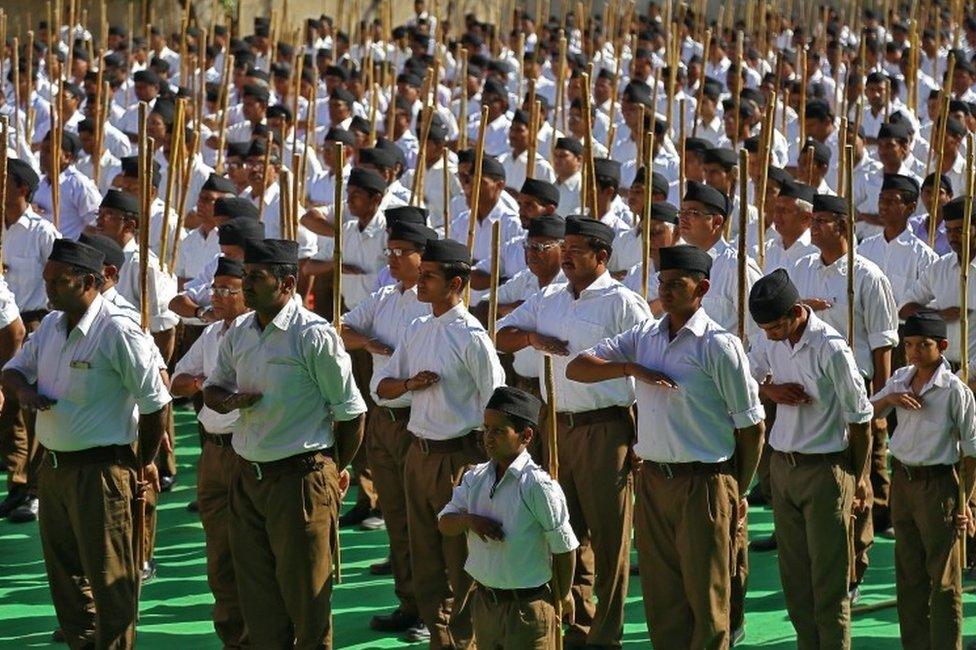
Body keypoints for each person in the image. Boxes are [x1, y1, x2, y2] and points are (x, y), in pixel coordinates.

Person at [567, 244, 765, 648]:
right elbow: (576, 367)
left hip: (705, 483)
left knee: (707, 599)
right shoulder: (645, 335)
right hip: (654, 481)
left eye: (677, 284)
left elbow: (751, 427)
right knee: (662, 599)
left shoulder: (717, 345)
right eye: (662, 282)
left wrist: (737, 490)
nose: (666, 290)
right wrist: (628, 368)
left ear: (703, 288)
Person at [1, 239, 172, 648]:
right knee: (64, 572)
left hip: (104, 470)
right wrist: (25, 393)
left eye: (59, 282)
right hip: (55, 468)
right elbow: (11, 371)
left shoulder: (118, 330)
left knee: (110, 574)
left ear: (90, 282)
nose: (49, 289)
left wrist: (140, 464)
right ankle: (83, 640)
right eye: (47, 280)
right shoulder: (50, 329)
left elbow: (156, 403)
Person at [203, 238, 368, 648]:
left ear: (288, 283)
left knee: (306, 601)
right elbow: (213, 387)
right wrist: (227, 401)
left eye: (256, 278)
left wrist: (333, 470)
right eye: (245, 277)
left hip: (299, 481)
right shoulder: (240, 331)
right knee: (258, 601)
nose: (246, 286)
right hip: (248, 479)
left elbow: (351, 413)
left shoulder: (313, 336)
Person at [496, 216, 651, 648]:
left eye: (576, 250)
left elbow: (644, 370)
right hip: (557, 426)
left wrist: (639, 438)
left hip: (606, 430)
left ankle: (607, 635)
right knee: (565, 531)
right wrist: (532, 337)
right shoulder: (550, 298)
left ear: (601, 256)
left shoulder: (623, 302)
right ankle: (580, 625)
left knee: (609, 538)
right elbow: (501, 335)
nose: (565, 256)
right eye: (564, 248)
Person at [373, 238, 506, 647]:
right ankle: (438, 636)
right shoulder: (417, 328)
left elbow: (496, 401)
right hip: (419, 454)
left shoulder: (472, 337)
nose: (420, 281)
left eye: (429, 276)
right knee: (425, 557)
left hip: (459, 459)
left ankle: (465, 640)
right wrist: (411, 384)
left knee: (460, 564)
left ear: (457, 283)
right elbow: (383, 388)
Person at [746, 268, 873, 648]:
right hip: (783, 467)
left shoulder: (831, 347)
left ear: (796, 313)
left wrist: (860, 477)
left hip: (825, 470)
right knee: (795, 578)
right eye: (764, 329)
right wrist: (773, 391)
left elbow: (861, 418)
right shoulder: (769, 338)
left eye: (774, 327)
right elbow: (749, 377)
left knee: (829, 581)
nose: (768, 335)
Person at [340, 219, 436, 636]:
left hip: (420, 421)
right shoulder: (382, 298)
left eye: (402, 252)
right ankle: (409, 603)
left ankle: (435, 613)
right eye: (390, 251)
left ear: (422, 256)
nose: (393, 259)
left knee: (425, 522)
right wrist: (367, 343)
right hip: (384, 418)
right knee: (396, 517)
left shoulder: (433, 305)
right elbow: (337, 329)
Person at [438, 385, 579, 650]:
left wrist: (564, 593)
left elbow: (564, 549)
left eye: (499, 431)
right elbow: (445, 523)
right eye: (486, 429)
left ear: (525, 435)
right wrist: (469, 521)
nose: (488, 438)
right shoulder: (474, 478)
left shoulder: (537, 486)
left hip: (527, 610)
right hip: (485, 606)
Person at [872, 310, 976, 649]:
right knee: (908, 572)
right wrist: (889, 397)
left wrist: (965, 501)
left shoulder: (955, 391)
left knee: (944, 579)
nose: (914, 351)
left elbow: (972, 451)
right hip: (902, 479)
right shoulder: (901, 377)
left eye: (923, 345)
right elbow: (868, 413)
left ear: (943, 346)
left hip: (938, 485)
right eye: (909, 344)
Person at [170, 257, 251, 648]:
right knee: (219, 552)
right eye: (213, 289)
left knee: (251, 551)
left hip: (248, 450)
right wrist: (203, 382)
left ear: (247, 294)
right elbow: (177, 380)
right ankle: (232, 636)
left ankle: (259, 634)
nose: (215, 297)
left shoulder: (257, 335)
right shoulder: (214, 333)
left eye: (225, 290)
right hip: (214, 453)